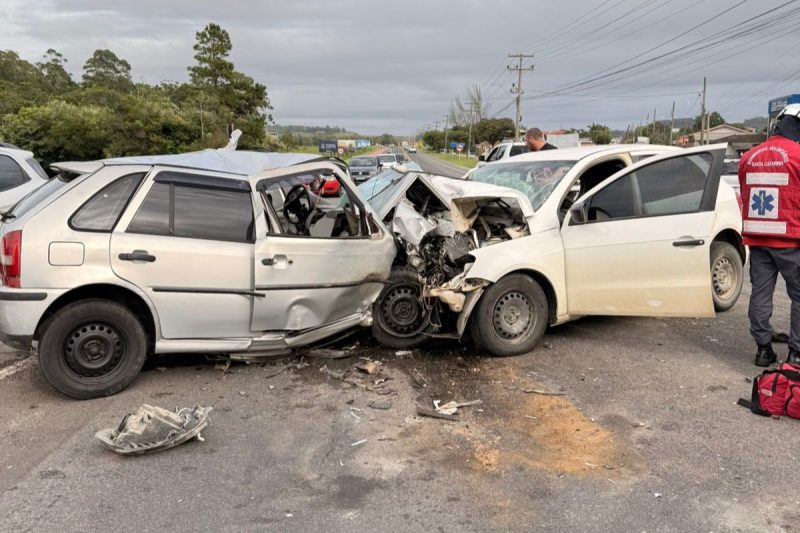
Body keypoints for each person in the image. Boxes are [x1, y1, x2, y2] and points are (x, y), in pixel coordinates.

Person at [739, 103, 800, 366]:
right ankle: (796, 353)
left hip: (758, 238)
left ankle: (763, 349)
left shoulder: (748, 157)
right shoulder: (798, 155)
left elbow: (745, 193)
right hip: (791, 240)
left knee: (760, 294)